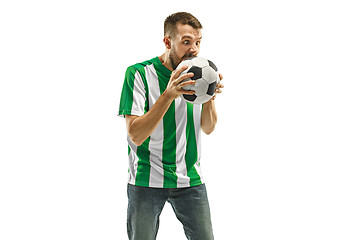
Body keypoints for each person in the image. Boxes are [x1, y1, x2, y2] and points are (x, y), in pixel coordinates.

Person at [118, 12, 224, 240]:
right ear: (168, 42)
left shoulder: (199, 76)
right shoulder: (138, 74)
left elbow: (208, 127)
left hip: (190, 177)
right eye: (186, 42)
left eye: (197, 42)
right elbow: (135, 135)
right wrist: (168, 95)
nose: (194, 49)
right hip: (147, 177)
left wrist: (210, 97)